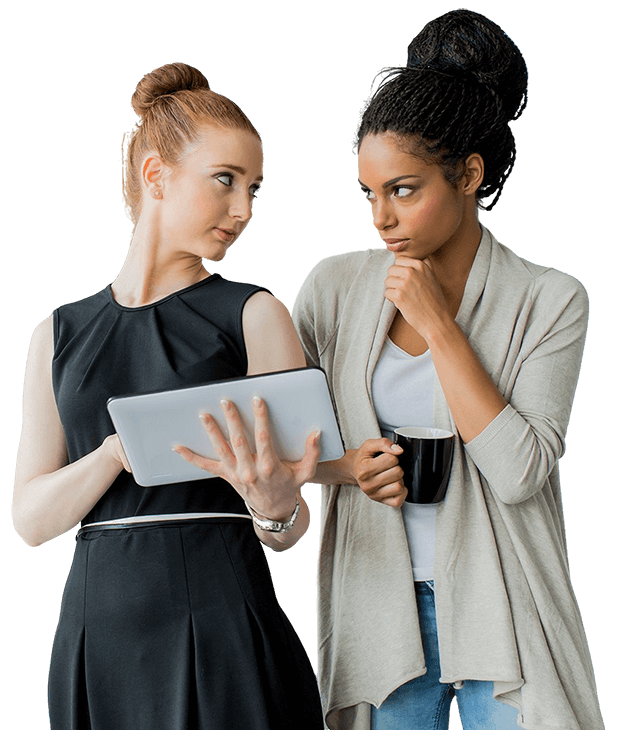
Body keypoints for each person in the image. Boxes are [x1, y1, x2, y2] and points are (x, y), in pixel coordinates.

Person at [292, 9, 604, 730]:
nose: (381, 217)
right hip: (379, 606)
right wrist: (347, 470)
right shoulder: (334, 288)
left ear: (469, 174)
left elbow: (521, 472)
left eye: (403, 189)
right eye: (370, 193)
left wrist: (439, 325)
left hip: (506, 607)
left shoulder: (550, 299)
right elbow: (281, 443)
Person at [13, 62, 324, 730]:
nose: (244, 210)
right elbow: (31, 521)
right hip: (95, 636)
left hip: (222, 625)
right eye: (225, 180)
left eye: (253, 189)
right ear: (156, 175)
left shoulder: (256, 314)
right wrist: (113, 454)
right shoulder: (55, 335)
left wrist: (275, 509)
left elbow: (290, 525)